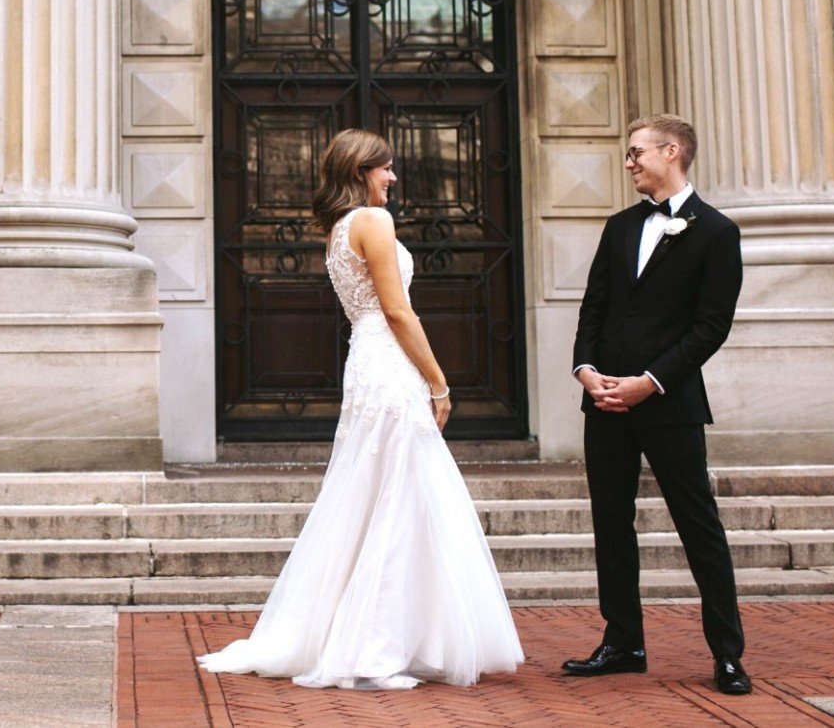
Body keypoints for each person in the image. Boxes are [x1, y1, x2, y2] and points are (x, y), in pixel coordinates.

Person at [197, 128, 523, 690]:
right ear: (359, 172)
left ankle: (398, 635)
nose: (393, 177)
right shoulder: (372, 222)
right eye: (385, 168)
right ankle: (373, 647)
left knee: (383, 491)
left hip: (367, 360)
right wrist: (440, 382)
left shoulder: (337, 231)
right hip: (389, 362)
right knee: (396, 496)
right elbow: (397, 310)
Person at [563, 113, 751, 696]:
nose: (628, 163)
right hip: (606, 404)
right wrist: (587, 371)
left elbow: (711, 327)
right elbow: (593, 309)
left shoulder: (717, 232)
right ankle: (622, 642)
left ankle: (727, 655)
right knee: (611, 524)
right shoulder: (619, 227)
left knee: (700, 527)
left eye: (636, 152)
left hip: (669, 402)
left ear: (672, 152)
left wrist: (650, 380)